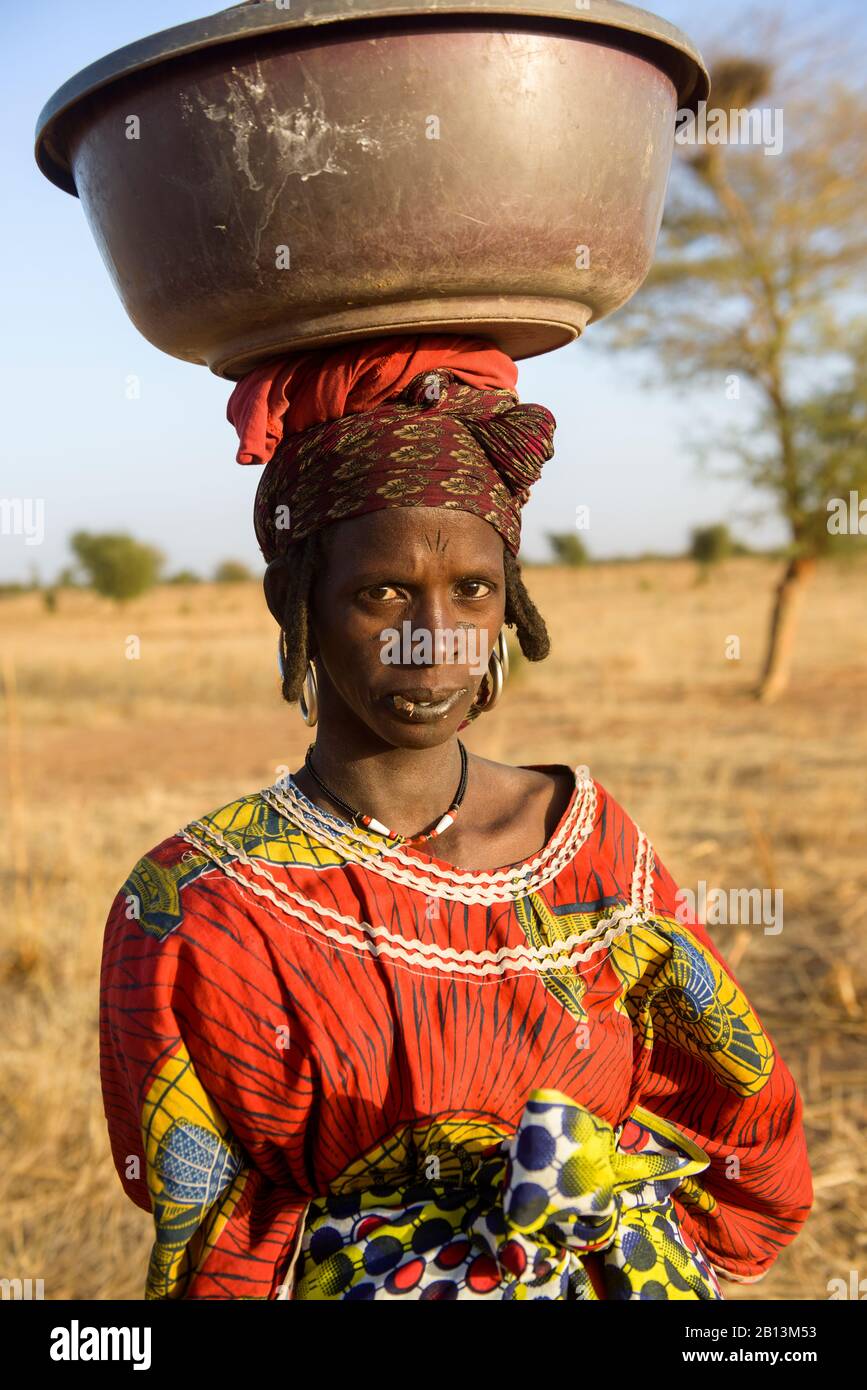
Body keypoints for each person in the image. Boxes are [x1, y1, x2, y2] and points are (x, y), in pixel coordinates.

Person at [99, 335, 812, 1300]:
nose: (435, 640)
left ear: (509, 603)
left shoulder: (592, 846)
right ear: (296, 605)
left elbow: (735, 1126)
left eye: (470, 590)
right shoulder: (200, 907)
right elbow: (201, 1223)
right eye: (381, 592)